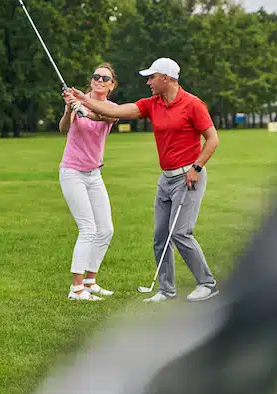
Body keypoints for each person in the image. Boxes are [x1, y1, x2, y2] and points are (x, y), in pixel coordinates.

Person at [69, 57, 220, 303]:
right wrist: (83, 98)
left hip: (188, 177)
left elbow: (212, 139)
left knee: (180, 233)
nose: (148, 81)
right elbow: (114, 111)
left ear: (167, 78)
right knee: (161, 237)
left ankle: (207, 283)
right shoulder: (152, 104)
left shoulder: (193, 104)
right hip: (166, 179)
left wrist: (196, 167)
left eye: (152, 77)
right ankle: (166, 290)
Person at [59, 63, 119, 301]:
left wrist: (82, 103)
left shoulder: (113, 109)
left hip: (94, 174)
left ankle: (90, 281)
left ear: (111, 85)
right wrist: (68, 109)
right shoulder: (76, 102)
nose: (100, 80)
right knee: (88, 229)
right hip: (72, 172)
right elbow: (63, 129)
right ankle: (76, 289)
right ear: (91, 79)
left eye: (105, 78)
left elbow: (101, 117)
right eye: (96, 76)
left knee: (106, 229)